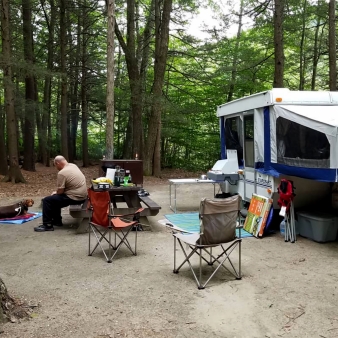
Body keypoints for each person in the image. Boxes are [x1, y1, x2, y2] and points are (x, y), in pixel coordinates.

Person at [34, 155, 87, 232]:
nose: (55, 167)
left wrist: (55, 192)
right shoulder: (73, 165)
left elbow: (60, 191)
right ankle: (57, 221)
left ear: (58, 163)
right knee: (55, 199)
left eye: (55, 165)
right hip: (83, 195)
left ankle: (47, 225)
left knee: (47, 200)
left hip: (75, 197)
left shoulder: (62, 173)